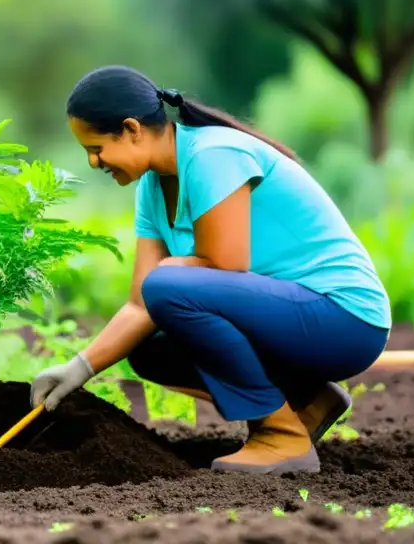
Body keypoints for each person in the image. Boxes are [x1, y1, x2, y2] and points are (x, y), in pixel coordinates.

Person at [30, 65, 391, 476]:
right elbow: (139, 306)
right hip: (294, 322)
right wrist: (78, 368)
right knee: (149, 350)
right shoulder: (152, 189)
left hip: (344, 320)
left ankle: (280, 436)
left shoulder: (212, 156)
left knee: (166, 285)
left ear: (131, 129)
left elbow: (225, 266)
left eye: (95, 148)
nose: (94, 162)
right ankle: (309, 402)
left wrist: (169, 271)